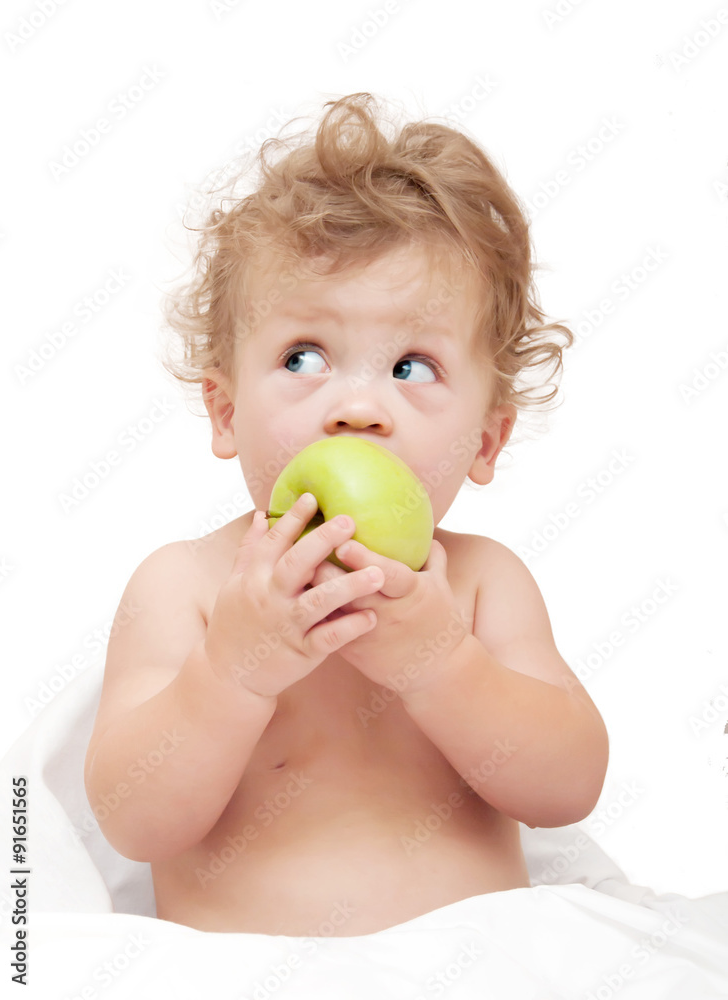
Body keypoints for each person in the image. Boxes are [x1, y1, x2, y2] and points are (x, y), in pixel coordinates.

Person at [84, 92, 609, 936]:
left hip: (477, 975)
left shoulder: (479, 588)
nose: (357, 407)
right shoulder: (185, 589)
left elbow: (565, 789)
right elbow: (132, 821)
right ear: (224, 411)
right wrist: (231, 673)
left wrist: (444, 665)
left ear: (486, 438)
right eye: (304, 356)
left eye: (411, 365)